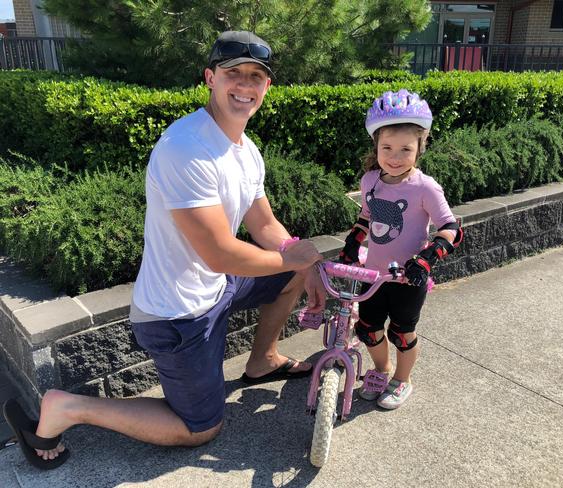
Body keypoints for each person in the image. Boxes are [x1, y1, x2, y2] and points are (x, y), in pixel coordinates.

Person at [3, 30, 325, 470]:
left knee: (290, 272)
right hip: (177, 313)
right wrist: (292, 259)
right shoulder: (186, 148)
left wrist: (303, 263)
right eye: (234, 74)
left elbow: (265, 225)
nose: (245, 86)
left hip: (217, 286)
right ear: (210, 78)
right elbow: (219, 253)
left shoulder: (246, 151)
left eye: (256, 77)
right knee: (199, 430)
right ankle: (68, 407)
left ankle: (263, 360)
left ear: (266, 87)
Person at [338, 89, 463, 410]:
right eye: (387, 148)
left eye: (405, 149)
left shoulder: (425, 187)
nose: (395, 157)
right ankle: (382, 370)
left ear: (421, 147)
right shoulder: (370, 181)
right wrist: (353, 242)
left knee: (402, 333)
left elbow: (451, 228)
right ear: (376, 146)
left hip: (408, 279)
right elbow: (367, 216)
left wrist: (428, 257)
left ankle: (403, 379)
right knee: (367, 329)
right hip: (373, 274)